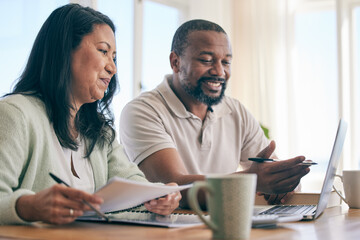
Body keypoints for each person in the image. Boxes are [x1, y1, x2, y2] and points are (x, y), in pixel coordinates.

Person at [0, 4, 181, 225]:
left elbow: (132, 183)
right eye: (103, 51)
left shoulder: (99, 129)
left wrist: (160, 195)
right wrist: (28, 206)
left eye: (114, 57)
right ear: (64, 51)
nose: (113, 68)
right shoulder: (15, 113)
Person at [119, 19, 310, 208]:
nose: (220, 71)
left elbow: (270, 173)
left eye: (226, 62)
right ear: (175, 62)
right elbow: (174, 188)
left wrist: (283, 183)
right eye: (206, 60)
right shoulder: (142, 111)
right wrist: (253, 180)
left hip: (221, 226)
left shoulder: (236, 112)